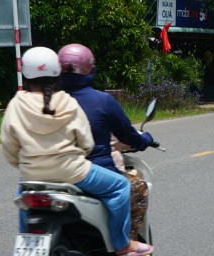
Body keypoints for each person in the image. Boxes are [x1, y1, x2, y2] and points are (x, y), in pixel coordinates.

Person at [0, 47, 151, 256]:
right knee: (120, 186)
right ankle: (121, 244)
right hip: (73, 173)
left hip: (32, 175)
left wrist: (24, 164)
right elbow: (86, 143)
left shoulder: (16, 103)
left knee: (23, 199)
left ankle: (28, 246)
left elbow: (9, 146)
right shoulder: (68, 102)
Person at [57, 43, 155, 241]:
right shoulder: (102, 101)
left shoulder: (47, 101)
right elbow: (128, 136)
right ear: (91, 70)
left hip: (50, 174)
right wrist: (145, 140)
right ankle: (125, 243)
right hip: (89, 172)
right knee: (135, 187)